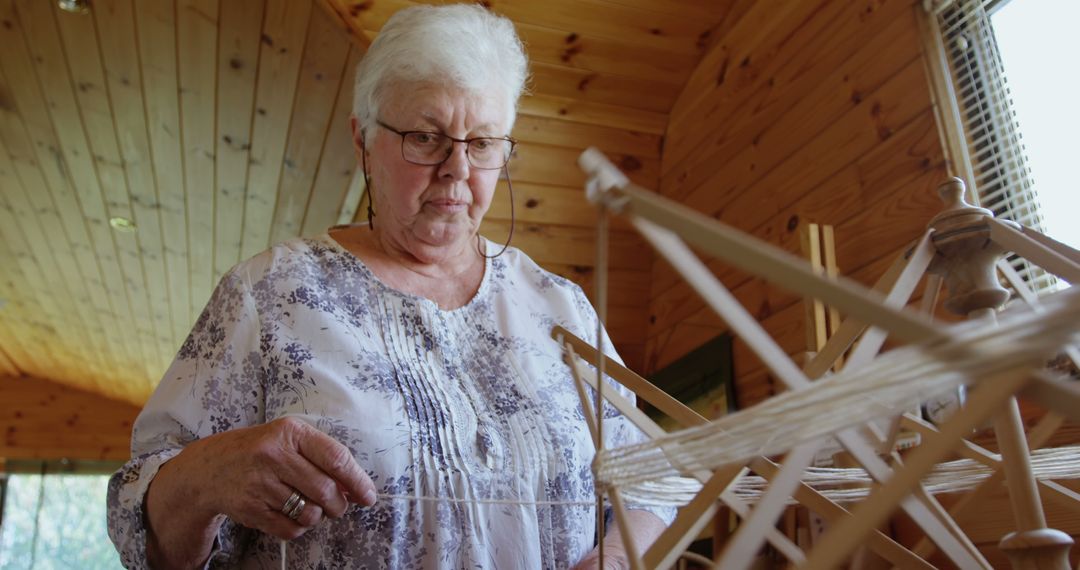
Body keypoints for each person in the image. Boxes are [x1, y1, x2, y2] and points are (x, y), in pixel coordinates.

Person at [107, 4, 672, 568]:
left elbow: (650, 479)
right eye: (427, 137)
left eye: (482, 144)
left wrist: (617, 559)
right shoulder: (272, 293)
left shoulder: (559, 305)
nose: (457, 169)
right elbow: (137, 517)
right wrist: (208, 474)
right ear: (364, 143)